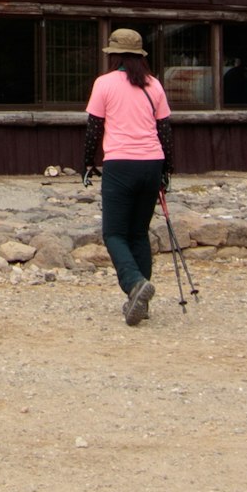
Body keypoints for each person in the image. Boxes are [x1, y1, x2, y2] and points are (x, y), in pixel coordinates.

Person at [82, 27, 174, 325]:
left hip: (120, 163)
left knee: (113, 233)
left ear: (114, 56)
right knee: (138, 233)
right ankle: (138, 301)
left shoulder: (104, 84)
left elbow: (94, 128)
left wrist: (87, 163)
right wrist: (167, 169)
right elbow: (165, 131)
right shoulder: (154, 85)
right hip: (151, 163)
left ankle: (134, 283)